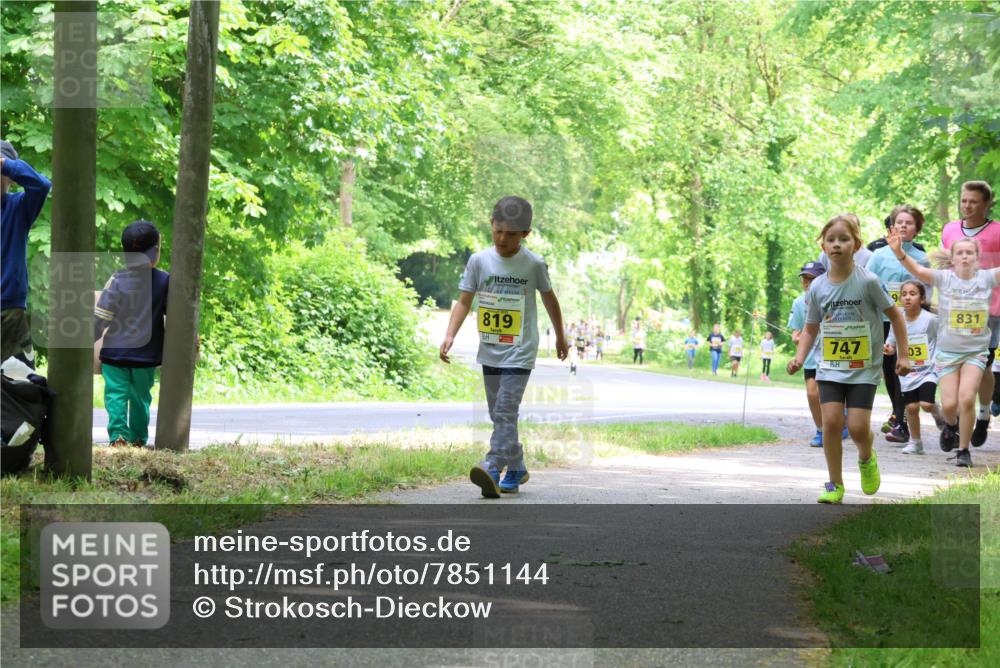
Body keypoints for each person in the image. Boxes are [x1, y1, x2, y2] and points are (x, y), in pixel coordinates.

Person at [440, 196, 568, 497]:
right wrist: (450, 335)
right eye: (498, 230)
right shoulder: (479, 261)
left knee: (506, 410)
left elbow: (550, 299)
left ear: (526, 234)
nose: (502, 238)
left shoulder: (533, 264)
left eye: (511, 233)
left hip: (520, 350)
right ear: (491, 225)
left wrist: (561, 336)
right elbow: (463, 301)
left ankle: (493, 465)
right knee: (499, 414)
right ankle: (518, 467)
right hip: (490, 349)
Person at [788, 214, 911, 503]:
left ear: (856, 244)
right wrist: (799, 356)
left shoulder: (868, 281)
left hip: (863, 367)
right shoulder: (817, 286)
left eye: (844, 239)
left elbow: (896, 316)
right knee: (831, 423)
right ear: (823, 245)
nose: (836, 245)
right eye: (831, 240)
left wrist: (903, 355)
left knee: (857, 428)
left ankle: (866, 457)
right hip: (829, 366)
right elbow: (810, 327)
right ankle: (834, 484)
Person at [889, 229, 998, 468]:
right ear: (954, 257)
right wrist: (898, 252)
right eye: (960, 253)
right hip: (948, 353)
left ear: (977, 258)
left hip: (975, 352)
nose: (965, 257)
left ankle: (963, 450)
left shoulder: (987, 278)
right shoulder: (944, 278)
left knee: (967, 399)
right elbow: (917, 271)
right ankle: (950, 425)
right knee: (949, 406)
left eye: (970, 253)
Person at [94, 221, 169, 448]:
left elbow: (101, 317)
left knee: (115, 395)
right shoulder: (166, 281)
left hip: (115, 353)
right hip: (145, 356)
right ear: (156, 251)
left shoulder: (117, 280)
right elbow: (177, 319)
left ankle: (118, 437)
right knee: (140, 398)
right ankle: (137, 439)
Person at [865, 205, 931, 443]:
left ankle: (902, 423)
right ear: (891, 227)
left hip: (909, 324)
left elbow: (927, 292)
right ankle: (898, 414)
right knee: (889, 372)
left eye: (909, 223)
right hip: (881, 322)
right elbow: (866, 284)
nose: (903, 226)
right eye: (899, 222)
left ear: (916, 230)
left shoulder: (921, 258)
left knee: (904, 371)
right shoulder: (878, 256)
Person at [940, 181, 997, 448]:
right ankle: (956, 420)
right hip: (956, 310)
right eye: (964, 200)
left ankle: (983, 413)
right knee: (956, 366)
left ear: (986, 204)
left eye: (973, 201)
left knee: (983, 364)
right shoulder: (950, 229)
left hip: (991, 310)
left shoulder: (997, 231)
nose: (967, 205)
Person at [1, 140, 51, 365]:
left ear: (10, 177)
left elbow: (41, 186)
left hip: (9, 309)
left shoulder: (18, 207)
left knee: (19, 382)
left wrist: (6, 164)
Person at [883, 280, 945, 455]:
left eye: (912, 294)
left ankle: (938, 415)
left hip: (928, 370)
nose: (907, 298)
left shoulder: (931, 320)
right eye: (904, 294)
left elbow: (941, 339)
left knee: (925, 404)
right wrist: (889, 349)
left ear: (922, 298)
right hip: (907, 372)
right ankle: (916, 442)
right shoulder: (897, 319)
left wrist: (939, 360)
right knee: (911, 408)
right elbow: (891, 342)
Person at [789, 261, 826, 447]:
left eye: (812, 279)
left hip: (831, 355)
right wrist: (797, 338)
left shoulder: (831, 297)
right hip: (811, 357)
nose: (807, 283)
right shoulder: (798, 303)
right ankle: (821, 429)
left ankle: (836, 423)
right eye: (805, 279)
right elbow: (796, 332)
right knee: (813, 394)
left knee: (830, 394)